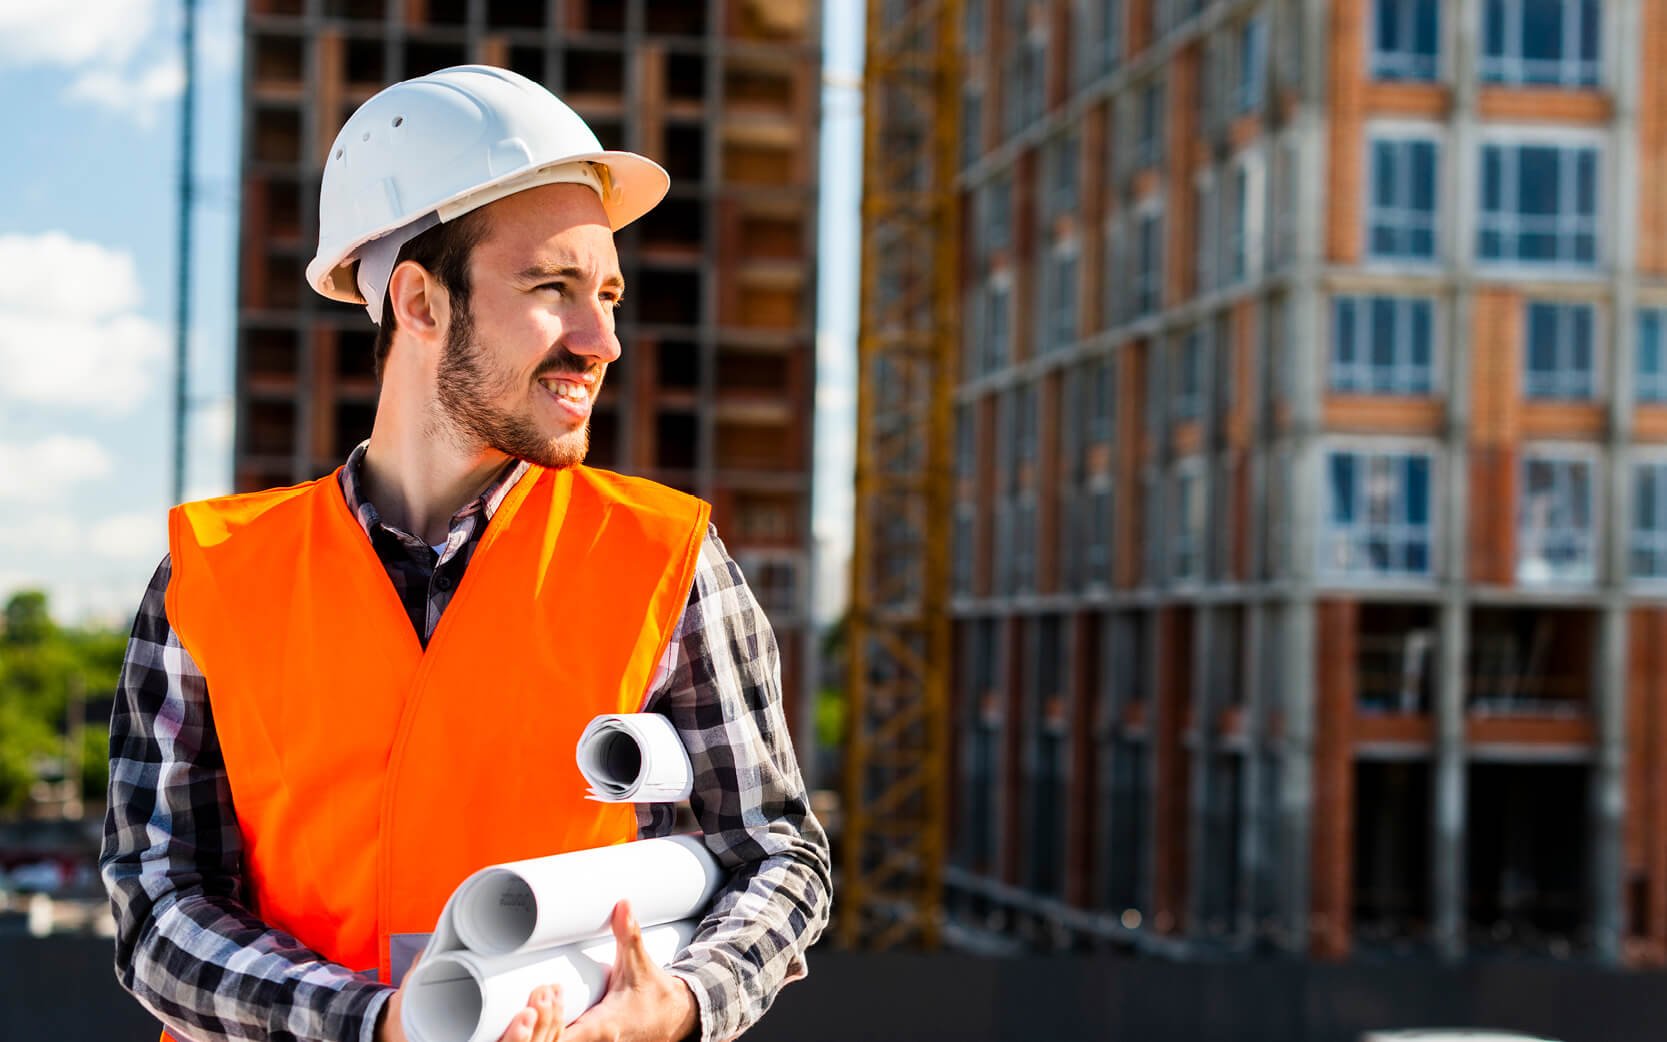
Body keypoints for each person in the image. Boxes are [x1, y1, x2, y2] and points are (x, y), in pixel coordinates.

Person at [100, 65, 831, 1042]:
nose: (600, 339)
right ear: (418, 302)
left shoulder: (666, 559)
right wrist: (372, 1023)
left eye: (607, 293)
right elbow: (157, 906)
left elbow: (777, 861)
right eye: (553, 288)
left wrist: (681, 1003)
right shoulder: (213, 578)